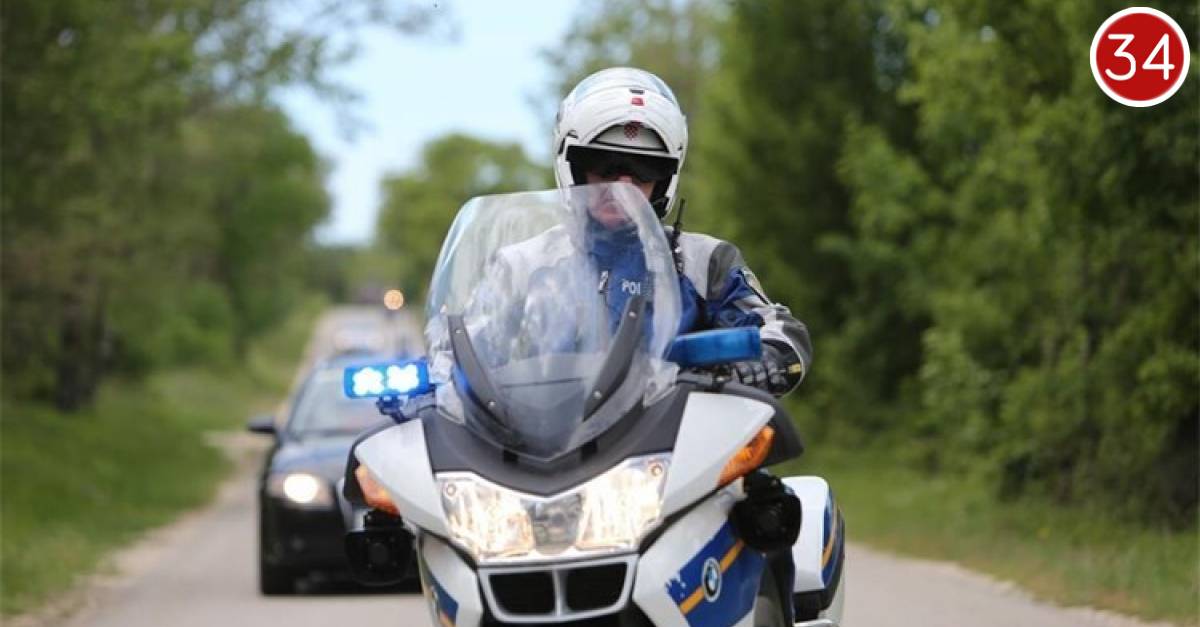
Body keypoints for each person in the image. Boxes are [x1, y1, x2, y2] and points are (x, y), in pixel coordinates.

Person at [552, 67, 811, 397]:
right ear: (573, 166)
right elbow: (483, 346)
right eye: (604, 164)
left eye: (644, 168)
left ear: (664, 180)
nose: (623, 185)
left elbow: (783, 332)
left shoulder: (703, 261)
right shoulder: (522, 264)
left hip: (672, 426)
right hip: (548, 426)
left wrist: (760, 362)